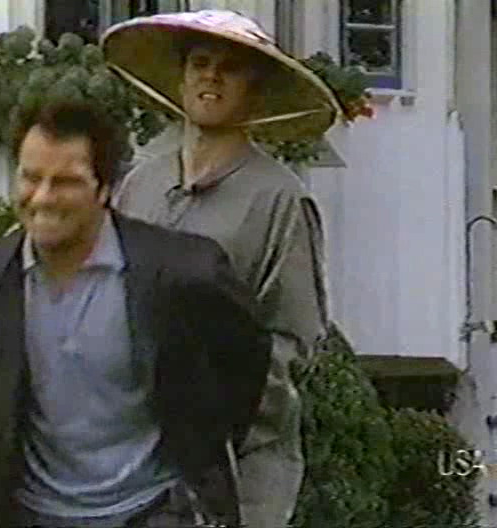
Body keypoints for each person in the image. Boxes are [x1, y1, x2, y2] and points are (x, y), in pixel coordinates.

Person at [0, 100, 271, 527]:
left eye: (66, 182)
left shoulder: (183, 273)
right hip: (34, 513)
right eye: (31, 177)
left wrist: (204, 450)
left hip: (153, 510)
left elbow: (246, 358)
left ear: (105, 188)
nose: (43, 197)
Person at [103, 10, 342, 528]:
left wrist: (213, 405)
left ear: (254, 90)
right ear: (182, 77)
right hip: (131, 460)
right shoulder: (141, 184)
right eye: (200, 63)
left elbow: (292, 338)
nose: (210, 76)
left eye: (229, 68)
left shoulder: (278, 199)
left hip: (235, 467)